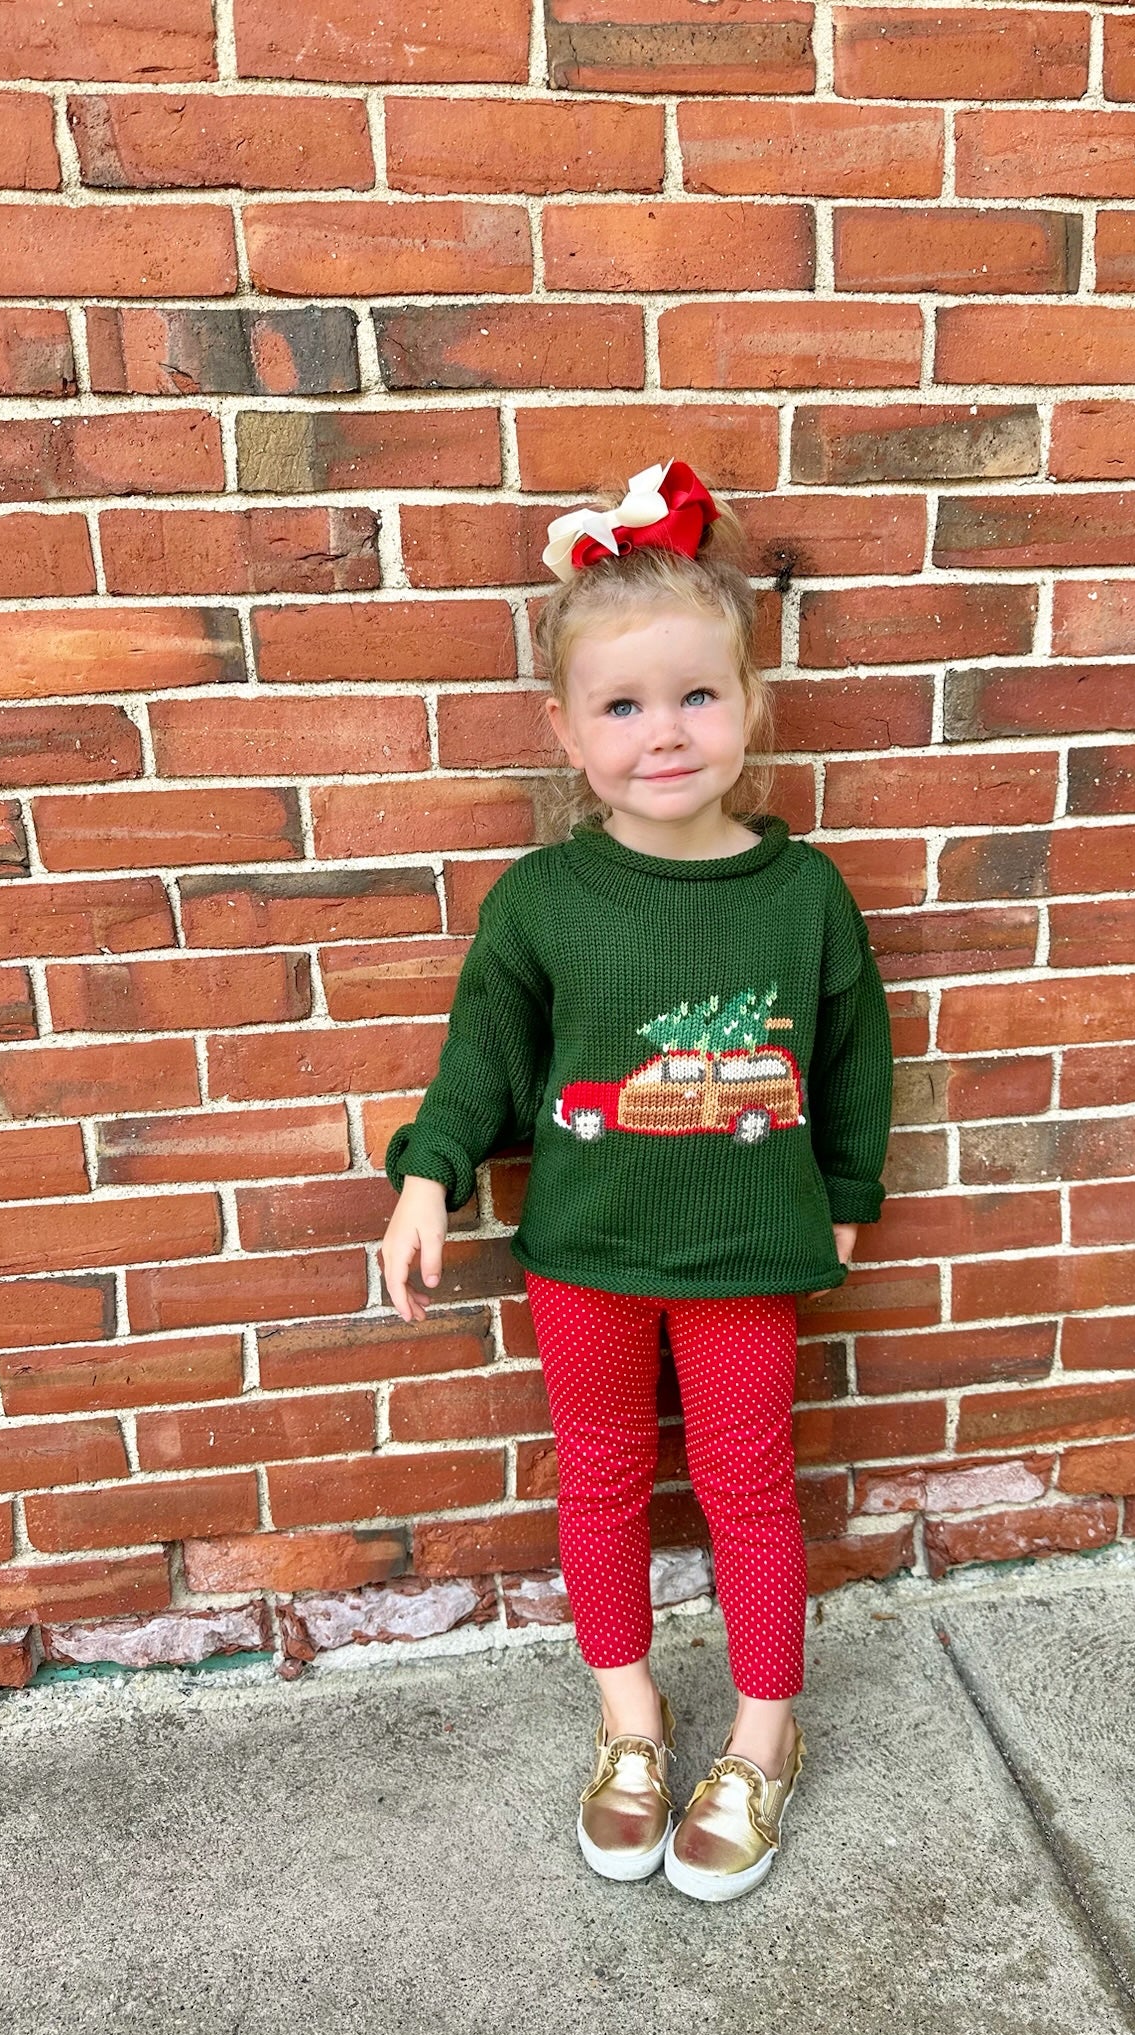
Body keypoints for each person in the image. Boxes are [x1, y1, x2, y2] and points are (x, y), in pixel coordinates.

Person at [380, 458, 894, 1903]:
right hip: (586, 1251)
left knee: (748, 1488)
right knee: (601, 1483)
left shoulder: (803, 893)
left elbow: (859, 1051)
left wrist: (844, 1189)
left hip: (745, 1255)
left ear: (749, 704)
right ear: (566, 729)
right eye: (622, 705)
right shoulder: (546, 900)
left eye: (696, 697)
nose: (663, 734)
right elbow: (483, 1053)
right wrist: (429, 1174)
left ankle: (763, 1739)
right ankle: (630, 1723)